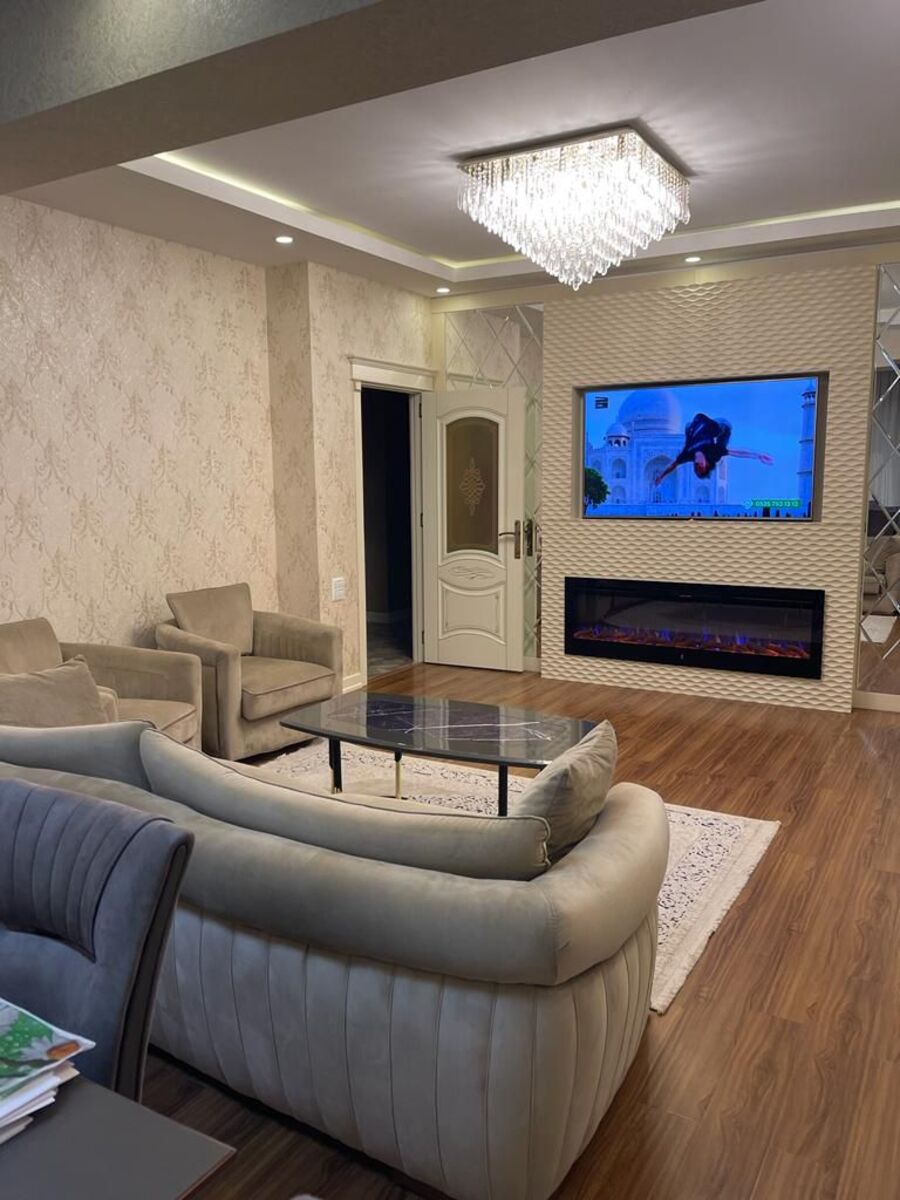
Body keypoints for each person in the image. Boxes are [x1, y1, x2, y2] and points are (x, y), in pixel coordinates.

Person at [653, 412, 773, 485]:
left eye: (698, 468)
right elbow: (736, 452)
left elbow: (672, 466)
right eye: (702, 467)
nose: (700, 465)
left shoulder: (687, 454)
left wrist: (661, 476)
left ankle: (695, 427)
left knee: (691, 429)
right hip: (723, 427)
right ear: (707, 464)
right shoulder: (713, 453)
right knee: (719, 443)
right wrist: (757, 455)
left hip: (706, 425)